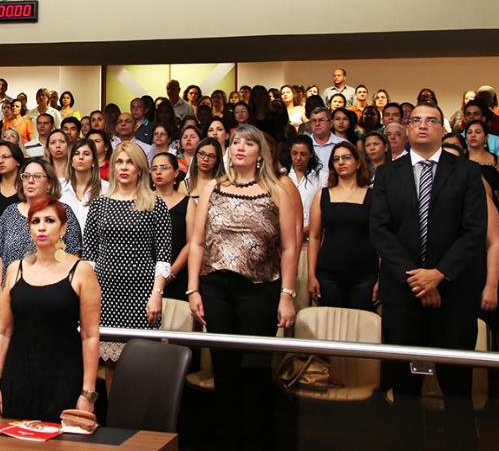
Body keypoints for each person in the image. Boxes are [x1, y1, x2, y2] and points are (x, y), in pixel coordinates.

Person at [370, 103, 486, 451]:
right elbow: (380, 231)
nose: (423, 125)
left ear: (442, 129)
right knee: (405, 388)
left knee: (457, 388)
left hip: (454, 296)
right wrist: (417, 279)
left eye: (431, 120)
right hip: (403, 296)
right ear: (407, 129)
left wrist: (439, 274)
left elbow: (474, 232)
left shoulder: (467, 172)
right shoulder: (387, 174)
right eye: (416, 120)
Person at [187, 125, 298, 451]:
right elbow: (197, 242)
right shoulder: (212, 187)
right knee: (224, 370)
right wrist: (193, 290)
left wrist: (287, 295)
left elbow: (289, 247)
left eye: (249, 143)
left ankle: (257, 441)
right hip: (216, 286)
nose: (240, 147)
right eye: (236, 142)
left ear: (260, 152)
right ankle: (226, 440)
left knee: (255, 371)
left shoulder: (277, 189)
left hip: (260, 289)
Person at [0, 198, 100, 420]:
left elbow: (90, 336)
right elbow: (2, 331)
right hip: (18, 376)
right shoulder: (14, 269)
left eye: (49, 220)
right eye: (35, 221)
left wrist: (87, 393)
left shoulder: (81, 270)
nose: (41, 227)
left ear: (63, 228)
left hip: (63, 378)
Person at [82, 142, 172, 366]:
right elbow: (89, 255)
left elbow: (163, 255)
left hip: (142, 292)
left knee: (142, 363)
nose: (123, 167)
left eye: (130, 162)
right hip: (105, 291)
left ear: (140, 169)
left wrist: (156, 294)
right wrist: (89, 294)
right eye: (119, 162)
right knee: (110, 363)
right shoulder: (99, 205)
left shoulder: (155, 204)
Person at [307, 143, 376, 310]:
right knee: (329, 323)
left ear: (358, 163)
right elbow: (314, 237)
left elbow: (381, 239)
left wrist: (382, 278)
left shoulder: (373, 196)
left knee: (360, 323)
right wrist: (311, 275)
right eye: (336, 159)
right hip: (328, 274)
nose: (341, 162)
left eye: (346, 158)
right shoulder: (322, 195)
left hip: (365, 275)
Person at [0, 158, 81, 283]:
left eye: (37, 176)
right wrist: (0, 289)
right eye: (26, 176)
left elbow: (74, 253)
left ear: (49, 183)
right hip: (12, 288)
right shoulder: (9, 213)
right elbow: (0, 257)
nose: (30, 181)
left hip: (54, 287)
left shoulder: (63, 211)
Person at [151, 151, 195, 299]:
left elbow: (191, 243)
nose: (158, 172)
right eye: (154, 168)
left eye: (164, 167)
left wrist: (171, 273)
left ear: (176, 172)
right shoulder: (142, 200)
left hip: (177, 274)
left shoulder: (188, 203)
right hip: (143, 274)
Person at [59, 138, 108, 235]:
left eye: (86, 154)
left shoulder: (106, 188)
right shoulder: (59, 187)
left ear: (93, 160)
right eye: (76, 154)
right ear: (71, 160)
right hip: (66, 243)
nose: (81, 157)